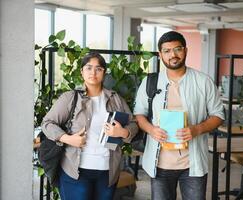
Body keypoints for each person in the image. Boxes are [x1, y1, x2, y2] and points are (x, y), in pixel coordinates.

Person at [134, 31, 224, 200]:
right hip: (159, 164)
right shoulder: (150, 81)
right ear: (160, 55)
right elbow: (139, 114)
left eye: (177, 49)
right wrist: (151, 130)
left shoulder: (203, 81)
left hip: (193, 165)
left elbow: (218, 115)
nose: (173, 55)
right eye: (167, 51)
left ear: (186, 51)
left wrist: (197, 129)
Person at [42, 52, 138, 200]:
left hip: (107, 172)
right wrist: (67, 138)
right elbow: (47, 123)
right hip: (76, 171)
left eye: (98, 69)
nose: (93, 72)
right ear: (82, 72)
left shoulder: (115, 98)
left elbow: (134, 123)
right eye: (88, 68)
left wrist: (123, 132)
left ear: (104, 73)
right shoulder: (70, 97)